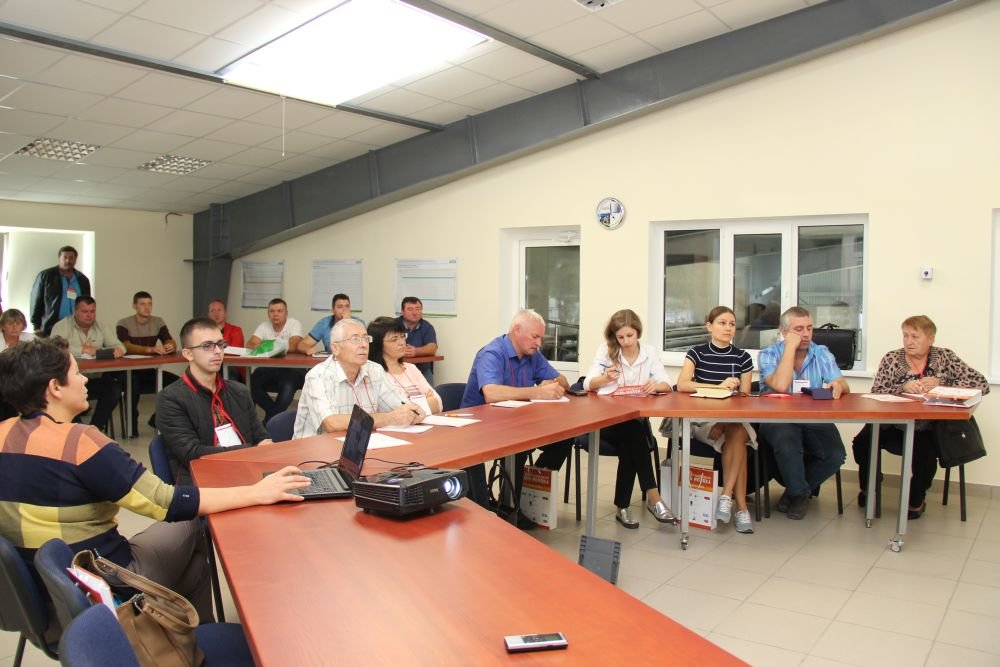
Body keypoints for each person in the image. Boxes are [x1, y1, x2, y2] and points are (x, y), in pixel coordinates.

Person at [0, 337, 309, 623]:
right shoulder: (81, 443)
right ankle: (191, 638)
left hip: (39, 599)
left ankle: (185, 634)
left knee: (192, 568)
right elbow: (165, 503)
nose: (84, 381)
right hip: (102, 585)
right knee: (191, 527)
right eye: (77, 373)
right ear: (55, 387)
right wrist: (256, 492)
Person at [852, 315, 988, 519]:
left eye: (915, 336)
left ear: (930, 338)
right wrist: (902, 387)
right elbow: (877, 392)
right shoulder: (891, 358)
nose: (909, 341)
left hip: (928, 426)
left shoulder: (945, 357)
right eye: (905, 336)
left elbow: (981, 384)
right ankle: (869, 488)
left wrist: (942, 383)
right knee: (863, 443)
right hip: (892, 425)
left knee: (925, 453)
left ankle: (916, 499)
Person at [460, 309, 572, 516]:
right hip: (479, 427)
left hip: (518, 423)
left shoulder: (533, 354)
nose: (539, 343)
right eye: (535, 337)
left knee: (564, 439)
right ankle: (509, 507)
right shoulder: (492, 353)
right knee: (518, 448)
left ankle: (525, 494)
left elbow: (563, 381)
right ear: (516, 330)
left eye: (541, 338)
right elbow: (491, 393)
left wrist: (552, 382)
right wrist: (537, 391)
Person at [583, 309, 675, 528]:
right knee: (635, 436)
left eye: (630, 336)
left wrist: (656, 386)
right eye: (621, 337)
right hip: (607, 422)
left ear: (638, 332)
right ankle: (654, 498)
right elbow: (587, 384)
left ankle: (622, 507)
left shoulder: (649, 352)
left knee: (631, 440)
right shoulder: (606, 351)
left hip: (633, 424)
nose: (626, 342)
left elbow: (667, 384)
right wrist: (605, 378)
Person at [758, 306, 850, 520]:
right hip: (776, 417)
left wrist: (838, 385)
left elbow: (843, 383)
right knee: (788, 444)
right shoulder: (768, 354)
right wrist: (790, 348)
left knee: (836, 455)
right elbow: (781, 385)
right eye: (799, 329)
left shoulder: (821, 352)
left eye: (809, 328)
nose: (807, 334)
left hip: (812, 417)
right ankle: (799, 495)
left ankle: (795, 491)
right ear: (784, 332)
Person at [157, 318, 273, 485]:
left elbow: (261, 436)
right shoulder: (171, 398)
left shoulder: (239, 391)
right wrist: (252, 451)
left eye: (220, 344)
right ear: (188, 354)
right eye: (207, 346)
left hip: (247, 475)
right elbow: (192, 454)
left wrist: (264, 446)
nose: (217, 351)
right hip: (203, 484)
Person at [676, 306, 756, 533]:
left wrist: (724, 421)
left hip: (732, 419)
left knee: (737, 432)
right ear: (709, 326)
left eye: (732, 324)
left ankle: (727, 496)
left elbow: (744, 396)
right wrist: (718, 387)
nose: (728, 328)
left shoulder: (743, 357)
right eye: (722, 323)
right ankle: (741, 508)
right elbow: (682, 384)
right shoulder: (696, 353)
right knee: (739, 439)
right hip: (702, 420)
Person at [293, 318, 425, 438]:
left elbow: (400, 407)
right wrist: (389, 418)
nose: (364, 345)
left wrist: (412, 412)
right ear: (335, 348)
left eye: (366, 338)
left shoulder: (375, 370)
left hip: (359, 445)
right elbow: (332, 423)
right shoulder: (318, 376)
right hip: (315, 450)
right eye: (355, 339)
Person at [51, 297, 124, 433]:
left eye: (92, 311)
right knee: (66, 393)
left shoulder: (100, 326)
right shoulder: (62, 326)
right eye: (84, 311)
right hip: (70, 380)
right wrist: (82, 350)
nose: (89, 315)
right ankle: (76, 429)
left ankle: (95, 428)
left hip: (95, 377)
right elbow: (54, 348)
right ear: (75, 311)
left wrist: (116, 351)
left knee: (114, 390)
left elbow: (120, 346)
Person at [116, 291, 179, 436]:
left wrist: (171, 345)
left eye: (149, 304)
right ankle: (131, 428)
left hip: (151, 370)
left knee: (178, 384)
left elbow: (168, 339)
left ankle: (156, 419)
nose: (147, 308)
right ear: (134, 306)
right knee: (133, 387)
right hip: (130, 371)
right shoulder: (123, 323)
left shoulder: (158, 321)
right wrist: (150, 349)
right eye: (142, 304)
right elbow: (126, 346)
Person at [247, 298, 305, 423]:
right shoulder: (264, 326)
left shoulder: (294, 324)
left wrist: (265, 345)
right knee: (252, 380)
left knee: (288, 384)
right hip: (272, 368)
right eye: (272, 311)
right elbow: (250, 344)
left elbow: (294, 345)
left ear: (286, 313)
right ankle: (272, 416)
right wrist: (280, 345)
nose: (275, 314)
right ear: (268, 313)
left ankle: (268, 422)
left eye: (279, 311)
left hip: (293, 369)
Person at [367, 316, 441, 414]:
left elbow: (438, 402)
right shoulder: (375, 373)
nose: (402, 343)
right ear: (378, 344)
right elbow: (396, 411)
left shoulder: (410, 368)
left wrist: (411, 406)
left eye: (403, 337)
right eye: (394, 339)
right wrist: (426, 401)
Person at [30, 245, 91, 337]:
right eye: (65, 257)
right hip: (51, 326)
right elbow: (36, 300)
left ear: (75, 259)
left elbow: (88, 304)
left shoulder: (83, 280)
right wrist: (36, 326)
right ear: (59, 258)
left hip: (76, 327)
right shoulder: (46, 276)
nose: (68, 260)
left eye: (71, 258)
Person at [297, 293, 364, 354]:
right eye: (340, 307)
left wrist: (347, 323)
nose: (344, 310)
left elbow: (360, 347)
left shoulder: (359, 323)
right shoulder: (324, 323)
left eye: (347, 306)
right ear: (333, 310)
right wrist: (308, 349)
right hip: (331, 360)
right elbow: (302, 344)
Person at [396, 297, 438, 384]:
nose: (414, 313)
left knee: (429, 392)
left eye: (418, 309)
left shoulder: (427, 327)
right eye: (410, 309)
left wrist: (416, 351)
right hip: (398, 368)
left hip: (422, 369)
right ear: (402, 312)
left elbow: (432, 348)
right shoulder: (393, 325)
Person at [208, 299, 245, 382]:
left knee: (229, 372)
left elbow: (234, 352)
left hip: (231, 367)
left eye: (219, 310)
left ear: (225, 313)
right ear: (209, 314)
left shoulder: (236, 330)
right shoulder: (204, 332)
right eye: (212, 311)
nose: (216, 314)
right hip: (210, 365)